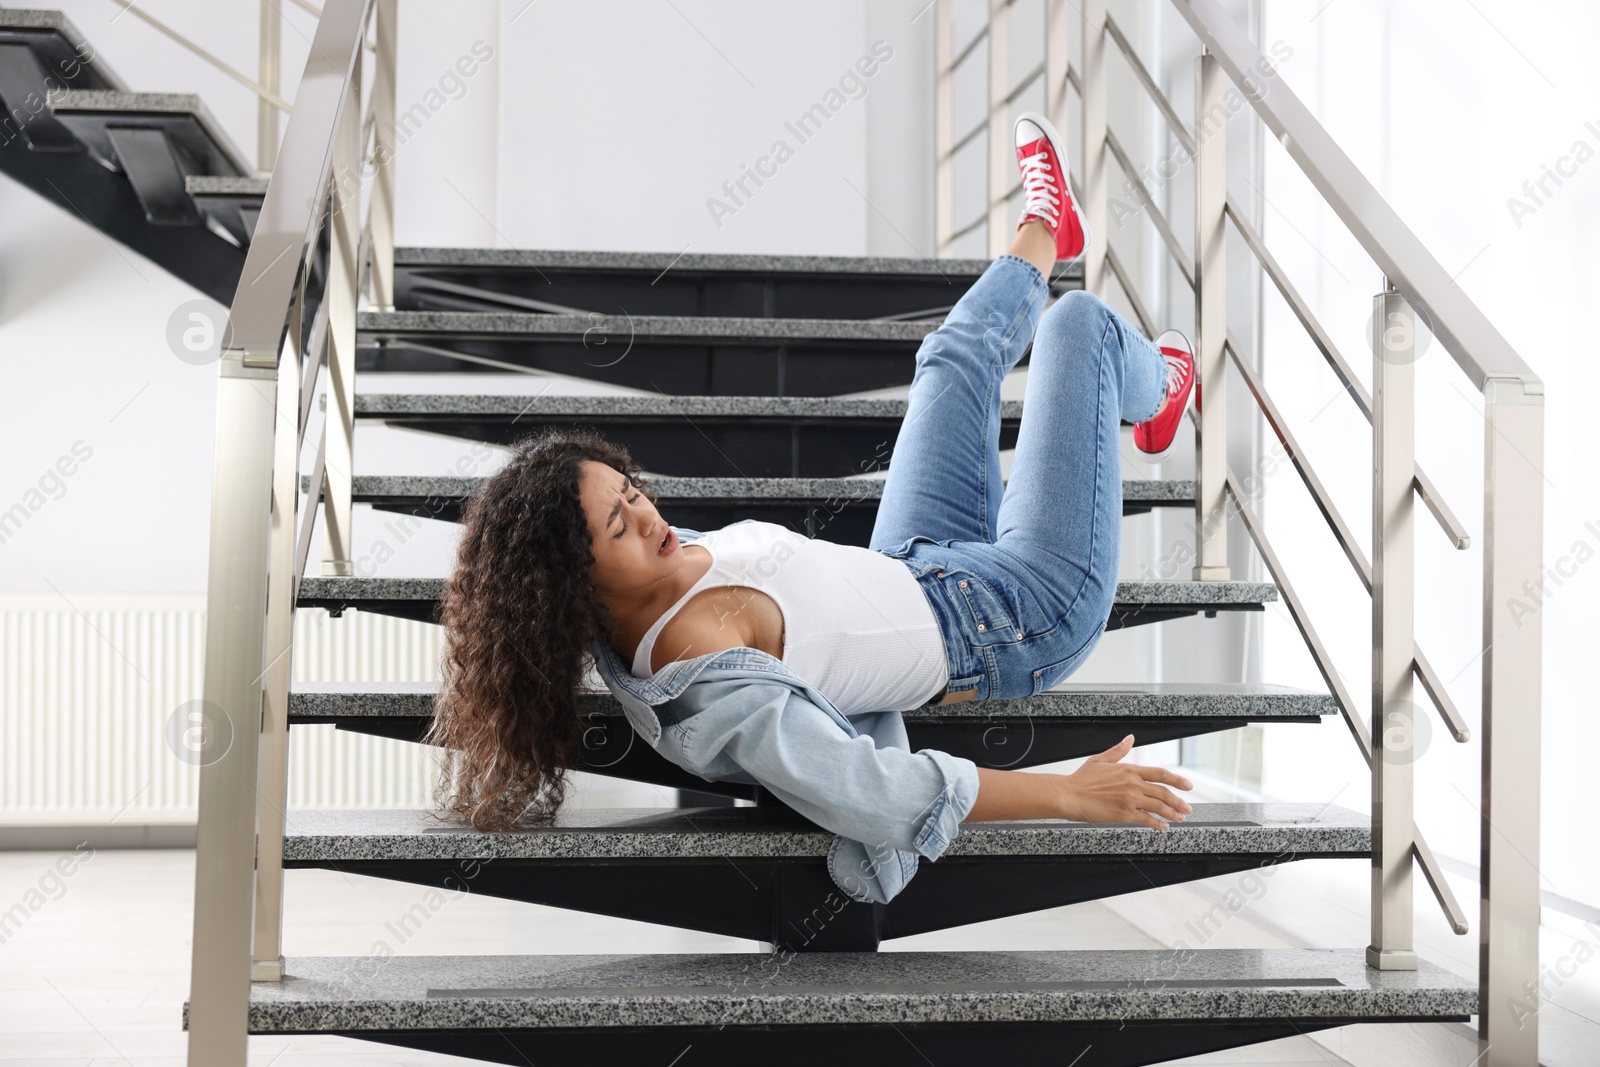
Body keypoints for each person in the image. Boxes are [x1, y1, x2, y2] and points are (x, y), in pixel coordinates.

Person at [428, 112, 1199, 905]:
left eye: (633, 491)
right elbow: (878, 789)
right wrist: (1069, 793)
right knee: (1080, 327)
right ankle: (1163, 390)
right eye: (621, 525)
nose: (652, 517)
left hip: (919, 558)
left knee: (949, 357)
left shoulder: (654, 566)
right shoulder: (701, 678)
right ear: (575, 586)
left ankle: (1047, 227)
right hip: (1019, 611)